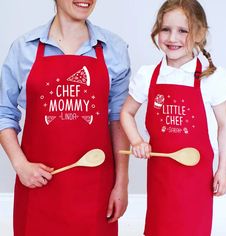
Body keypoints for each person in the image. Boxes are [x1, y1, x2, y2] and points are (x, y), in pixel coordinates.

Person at [0, 0, 130, 235]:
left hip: (95, 190)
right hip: (38, 186)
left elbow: (119, 120)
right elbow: (4, 112)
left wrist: (122, 182)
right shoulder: (23, 48)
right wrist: (20, 164)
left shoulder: (114, 49)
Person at [121, 0, 226, 235]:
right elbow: (127, 113)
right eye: (165, 29)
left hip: (197, 180)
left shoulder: (211, 78)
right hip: (161, 177)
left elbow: (224, 126)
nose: (173, 38)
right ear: (156, 31)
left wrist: (222, 169)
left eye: (183, 30)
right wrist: (137, 141)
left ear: (200, 33)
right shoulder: (148, 75)